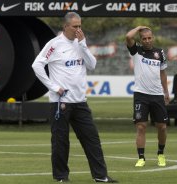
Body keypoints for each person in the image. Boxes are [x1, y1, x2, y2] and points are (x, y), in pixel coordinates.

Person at [32, 12, 118, 183]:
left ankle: (101, 176)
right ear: (65, 27)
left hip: (80, 102)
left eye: (80, 26)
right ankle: (61, 177)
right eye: (75, 26)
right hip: (60, 102)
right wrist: (54, 87)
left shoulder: (81, 44)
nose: (79, 29)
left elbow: (92, 65)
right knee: (61, 142)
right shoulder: (54, 44)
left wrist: (84, 45)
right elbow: (37, 65)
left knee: (92, 140)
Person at [126, 26, 170, 167]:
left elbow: (163, 73)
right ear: (140, 40)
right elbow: (128, 37)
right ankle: (141, 157)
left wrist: (166, 91)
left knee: (162, 127)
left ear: (153, 38)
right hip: (141, 95)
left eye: (149, 38)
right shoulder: (136, 50)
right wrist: (139, 27)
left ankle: (161, 154)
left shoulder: (160, 53)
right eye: (144, 38)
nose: (147, 40)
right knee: (141, 127)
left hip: (157, 94)